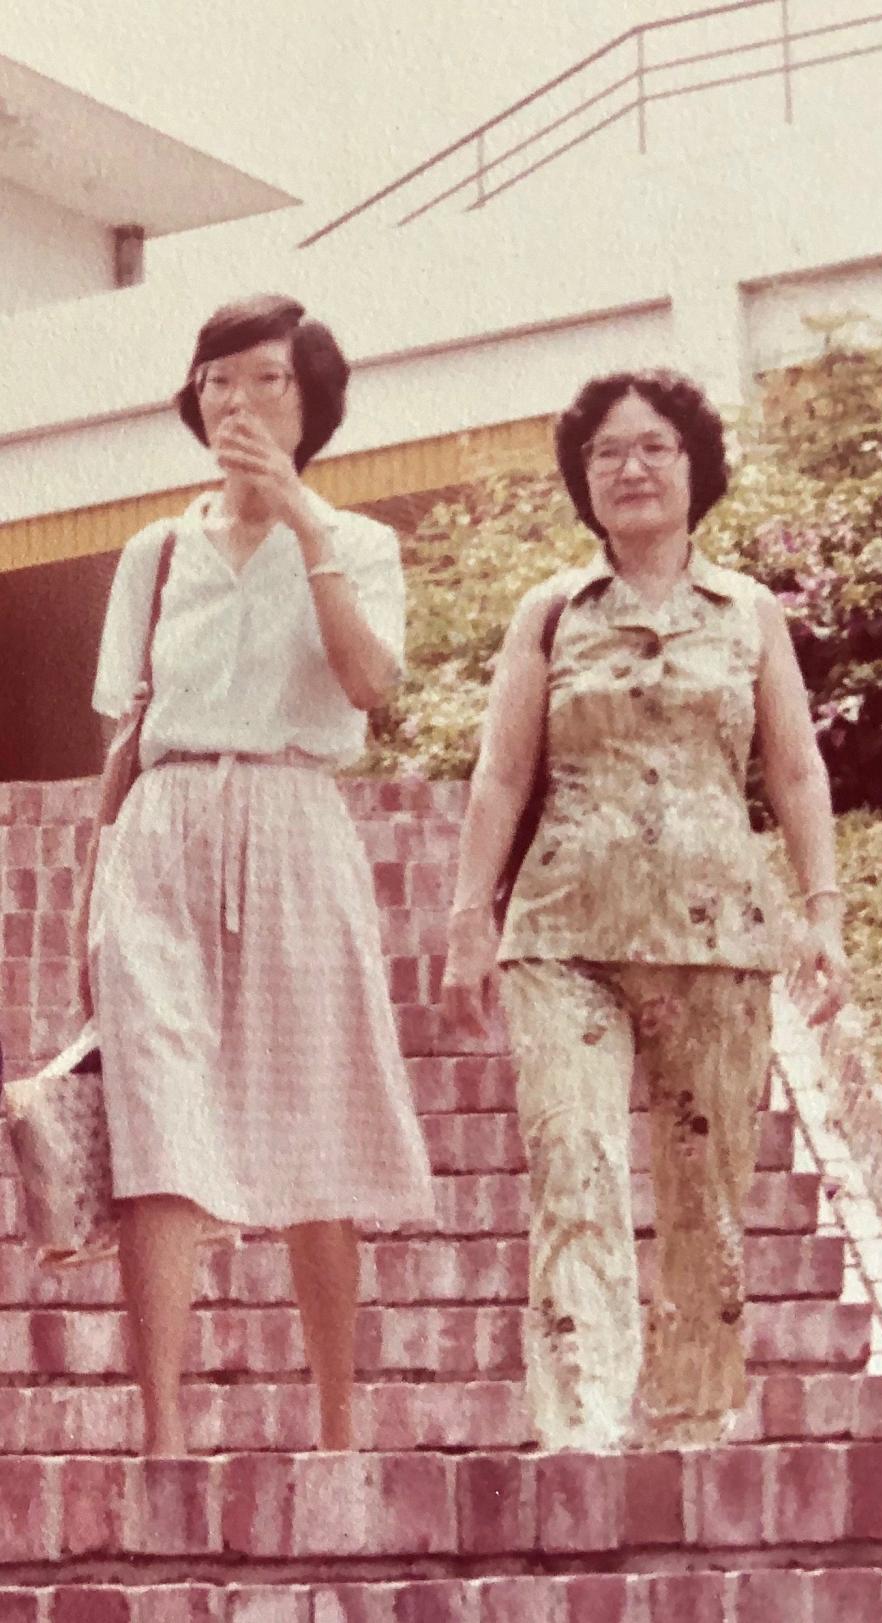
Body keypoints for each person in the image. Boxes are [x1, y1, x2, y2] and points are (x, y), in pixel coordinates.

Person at [441, 369, 850, 1453]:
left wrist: (823, 911)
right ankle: (582, 1423)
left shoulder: (750, 612)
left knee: (705, 1196)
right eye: (607, 451)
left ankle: (689, 1425)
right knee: (572, 1164)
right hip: (565, 932)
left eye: (654, 446)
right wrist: (466, 918)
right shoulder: (551, 613)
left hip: (716, 937)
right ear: (585, 479)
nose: (629, 466)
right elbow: (499, 775)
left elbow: (798, 775)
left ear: (694, 468)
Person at [87, 293, 434, 1456]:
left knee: (318, 1116)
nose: (236, 400)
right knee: (155, 1120)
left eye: (266, 379)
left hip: (293, 821)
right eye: (218, 378)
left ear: (312, 401)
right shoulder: (156, 550)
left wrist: (298, 516)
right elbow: (125, 730)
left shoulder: (363, 542)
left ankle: (338, 1421)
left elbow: (369, 685)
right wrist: (91, 900)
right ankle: (165, 1430)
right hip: (166, 828)